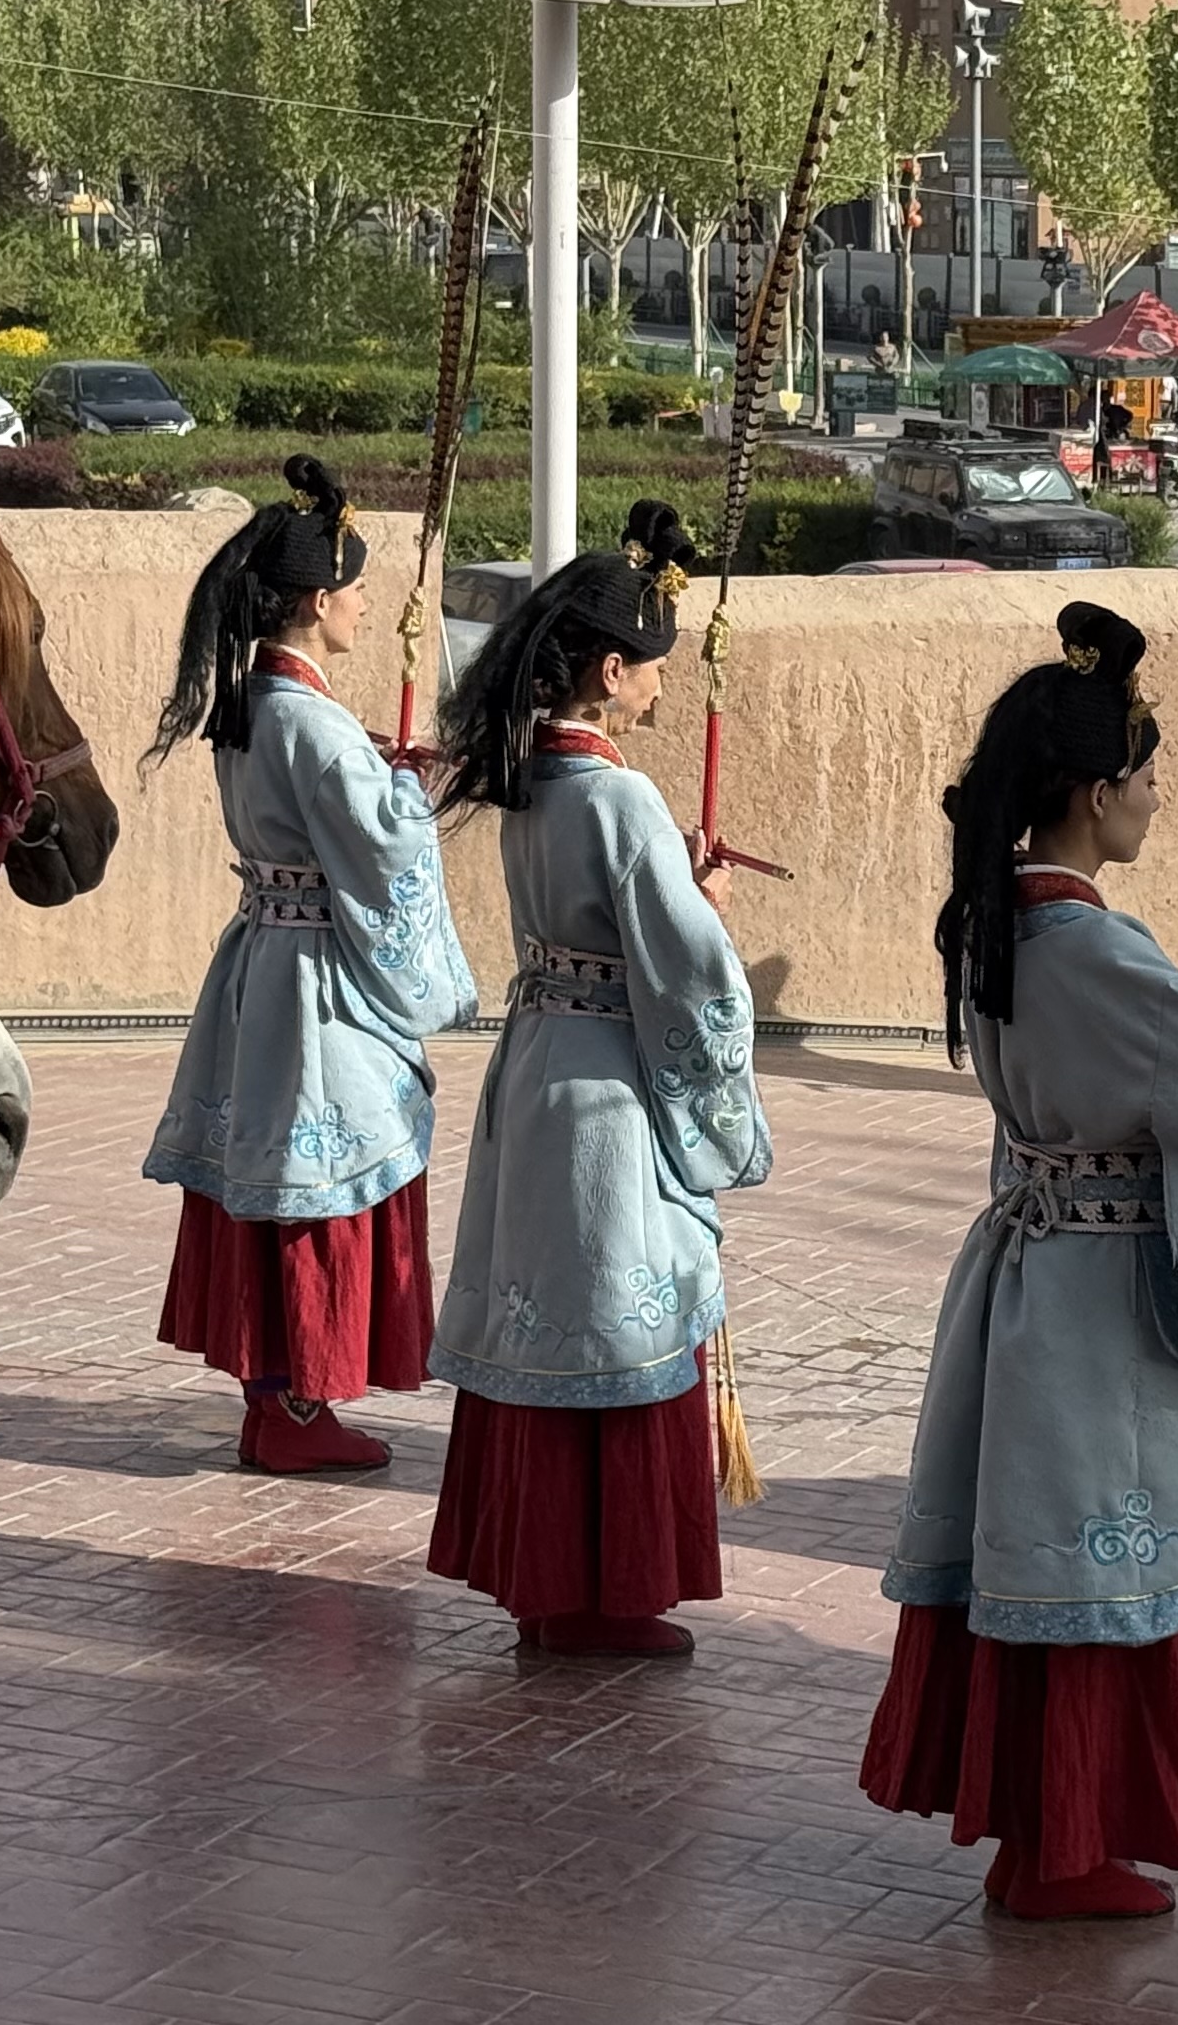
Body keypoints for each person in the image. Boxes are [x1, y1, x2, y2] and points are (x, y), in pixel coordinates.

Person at [859, 602, 1178, 1921]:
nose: (1150, 805)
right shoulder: (1098, 945)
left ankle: (1041, 1836)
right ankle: (1070, 1849)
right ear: (1086, 792)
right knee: (1102, 1561)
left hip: (1026, 1276)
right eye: (1139, 781)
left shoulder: (1000, 921)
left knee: (1037, 1555)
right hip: (1108, 1302)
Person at [421, 502, 771, 1658]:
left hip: (538, 1069)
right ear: (613, 671)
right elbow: (687, 978)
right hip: (613, 1092)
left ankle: (546, 1585)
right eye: (653, 672)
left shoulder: (528, 783)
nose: (664, 692)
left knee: (549, 1325)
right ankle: (608, 1593)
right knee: (616, 1322)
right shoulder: (622, 799)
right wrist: (709, 913)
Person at [142, 460, 479, 1473]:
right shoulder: (316, 724)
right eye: (358, 590)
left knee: (280, 1178)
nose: (369, 607)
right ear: (319, 600)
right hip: (317, 981)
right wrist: (406, 793)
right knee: (320, 1185)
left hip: (264, 958)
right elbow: (382, 850)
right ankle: (296, 1410)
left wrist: (379, 775)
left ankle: (275, 1401)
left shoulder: (251, 704)